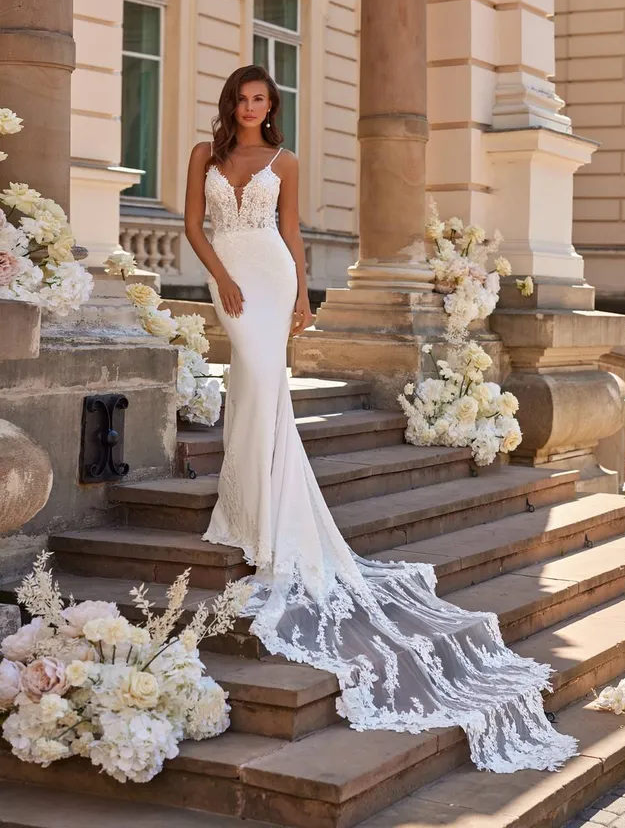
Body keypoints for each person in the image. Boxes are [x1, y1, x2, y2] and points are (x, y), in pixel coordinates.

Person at [184, 64, 577, 773]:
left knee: (264, 382)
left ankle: (262, 515)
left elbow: (290, 230)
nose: (250, 108)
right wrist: (223, 277)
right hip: (231, 276)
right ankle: (248, 511)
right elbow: (192, 223)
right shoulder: (203, 157)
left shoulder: (285, 161)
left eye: (261, 100)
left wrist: (304, 294)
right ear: (230, 106)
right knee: (248, 379)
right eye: (242, 99)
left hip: (272, 274)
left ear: (271, 108)